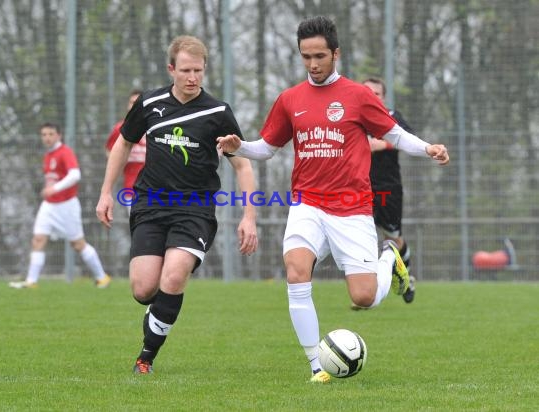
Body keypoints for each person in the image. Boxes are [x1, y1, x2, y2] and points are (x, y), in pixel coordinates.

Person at [217, 16, 449, 383]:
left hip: (352, 208)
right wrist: (239, 146)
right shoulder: (290, 99)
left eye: (320, 56)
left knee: (364, 297)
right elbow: (266, 149)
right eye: (306, 56)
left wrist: (429, 148)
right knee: (295, 271)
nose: (313, 64)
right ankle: (316, 366)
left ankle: (389, 258)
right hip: (307, 204)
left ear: (336, 53)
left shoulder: (358, 96)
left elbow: (396, 135)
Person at [95, 35, 258, 375]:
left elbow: (242, 164)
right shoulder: (149, 104)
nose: (192, 77)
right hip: (150, 206)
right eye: (185, 70)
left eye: (198, 70)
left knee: (174, 275)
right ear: (171, 69)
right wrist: (105, 192)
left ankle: (146, 357)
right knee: (143, 289)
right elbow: (123, 145)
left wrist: (249, 216)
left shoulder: (217, 112)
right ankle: (156, 313)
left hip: (194, 211)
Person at [9, 122, 111, 289]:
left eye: (50, 134)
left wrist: (54, 189)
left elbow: (75, 175)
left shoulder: (65, 152)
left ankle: (102, 278)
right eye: (44, 134)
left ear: (59, 135)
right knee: (38, 239)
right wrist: (50, 191)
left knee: (78, 244)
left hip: (67, 205)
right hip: (49, 205)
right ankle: (31, 282)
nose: (47, 138)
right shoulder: (48, 155)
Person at [362, 77, 416, 304]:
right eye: (367, 92)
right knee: (361, 235)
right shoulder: (353, 117)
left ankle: (407, 276)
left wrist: (382, 144)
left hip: (388, 187)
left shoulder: (391, 116)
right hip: (359, 187)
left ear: (383, 98)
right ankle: (365, 289)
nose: (371, 96)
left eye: (376, 93)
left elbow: (409, 139)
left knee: (393, 238)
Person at [105, 89, 146, 212]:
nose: (134, 106)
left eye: (138, 102)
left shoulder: (154, 128)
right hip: (131, 188)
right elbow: (110, 152)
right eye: (131, 102)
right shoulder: (120, 129)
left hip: (157, 189)